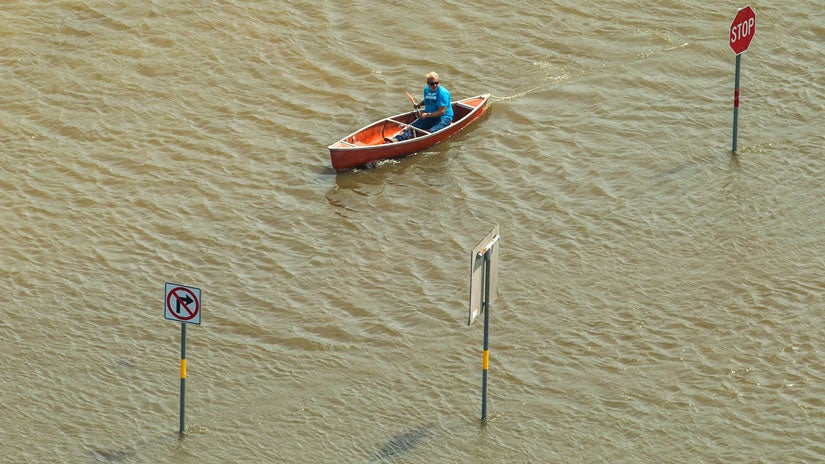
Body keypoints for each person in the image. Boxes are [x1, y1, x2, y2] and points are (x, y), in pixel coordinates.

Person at [386, 72, 453, 143]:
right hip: (430, 116)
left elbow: (442, 111)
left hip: (444, 117)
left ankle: (420, 142)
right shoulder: (427, 90)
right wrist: (419, 104)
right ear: (428, 83)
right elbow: (428, 99)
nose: (435, 85)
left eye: (437, 83)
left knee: (431, 132)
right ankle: (397, 139)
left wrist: (427, 115)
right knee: (412, 127)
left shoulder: (442, 93)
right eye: (432, 83)